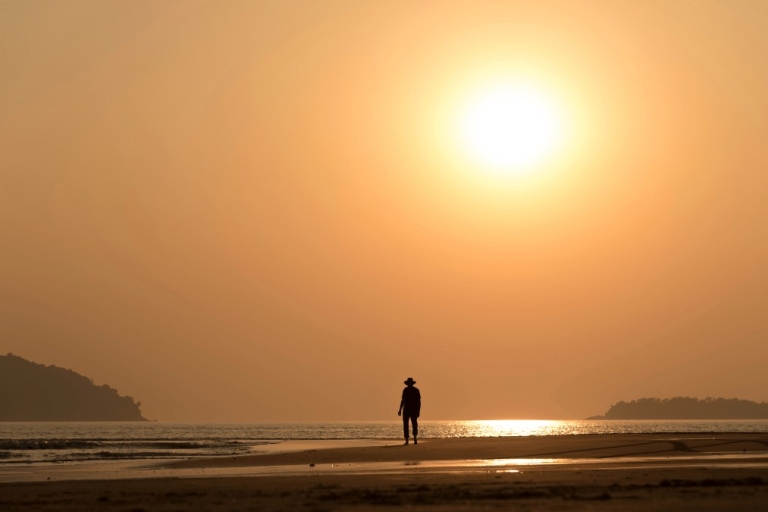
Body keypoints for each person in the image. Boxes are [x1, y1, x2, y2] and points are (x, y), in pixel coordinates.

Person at [398, 377, 421, 445]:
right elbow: (404, 400)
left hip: (409, 409)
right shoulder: (414, 390)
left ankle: (412, 439)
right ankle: (412, 439)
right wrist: (400, 409)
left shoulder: (408, 390)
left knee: (410, 424)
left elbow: (418, 402)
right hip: (410, 409)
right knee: (411, 424)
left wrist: (418, 410)